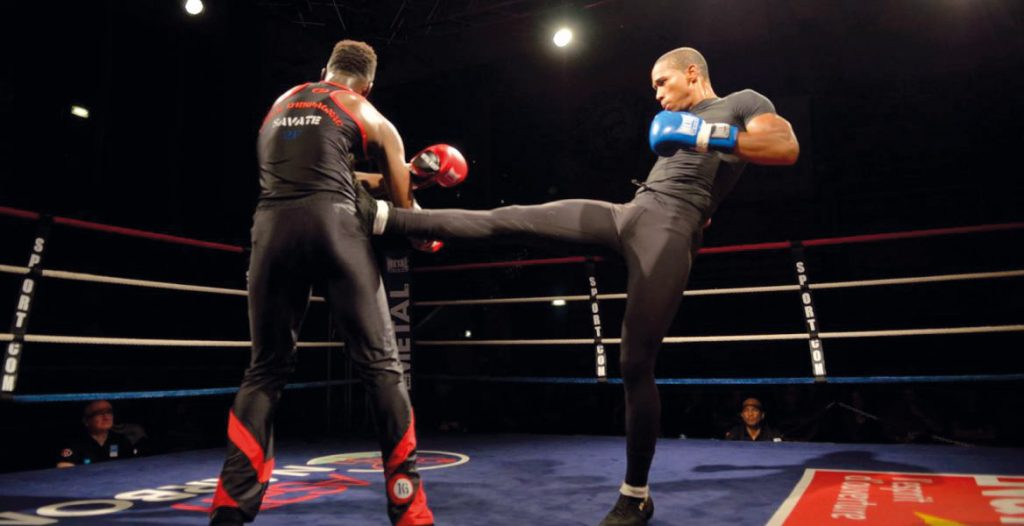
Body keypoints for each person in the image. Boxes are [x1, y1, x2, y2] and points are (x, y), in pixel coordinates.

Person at [360, 47, 799, 525]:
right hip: (632, 211)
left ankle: (636, 495)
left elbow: (784, 147)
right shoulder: (676, 128)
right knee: (514, 219)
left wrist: (703, 134)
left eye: (661, 83)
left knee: (634, 361)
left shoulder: (739, 103)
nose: (656, 95)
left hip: (672, 229)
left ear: (692, 73)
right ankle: (390, 217)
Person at [210, 40, 434, 526]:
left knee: (264, 370)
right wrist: (425, 222)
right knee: (382, 369)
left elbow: (318, 171)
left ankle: (231, 506)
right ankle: (409, 508)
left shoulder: (281, 103)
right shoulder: (372, 116)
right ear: (368, 84)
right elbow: (401, 215)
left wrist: (406, 175)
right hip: (334, 229)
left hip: (270, 230)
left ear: (325, 71)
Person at [56, 399, 137, 467]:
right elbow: (63, 466)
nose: (106, 417)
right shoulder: (75, 444)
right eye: (98, 413)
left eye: (109, 412)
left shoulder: (122, 440)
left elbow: (133, 465)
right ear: (86, 421)